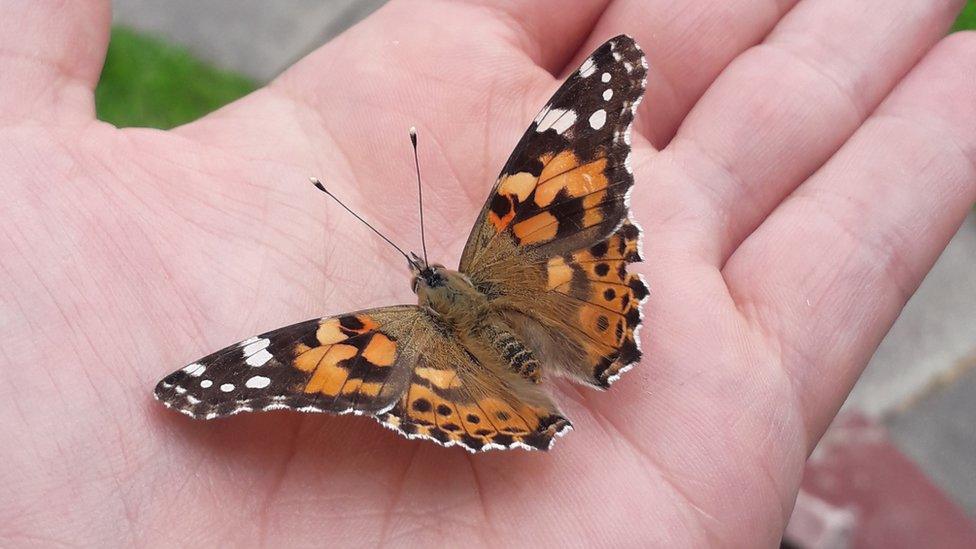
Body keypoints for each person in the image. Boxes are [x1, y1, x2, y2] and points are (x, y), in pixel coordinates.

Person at [2, 0, 974, 545]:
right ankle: (577, 356)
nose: (429, 277)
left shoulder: (368, 340)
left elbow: (319, 367)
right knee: (563, 252)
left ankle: (526, 400)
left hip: (461, 383)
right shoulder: (506, 224)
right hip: (560, 297)